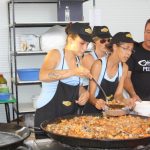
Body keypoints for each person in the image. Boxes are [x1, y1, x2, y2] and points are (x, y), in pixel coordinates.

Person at [34, 22, 93, 139]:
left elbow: (76, 84)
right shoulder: (56, 54)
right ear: (70, 39)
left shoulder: (78, 59)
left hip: (68, 118)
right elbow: (43, 75)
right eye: (82, 43)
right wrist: (74, 71)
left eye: (87, 44)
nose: (85, 48)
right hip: (48, 116)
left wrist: (84, 93)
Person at [84, 32, 135, 113]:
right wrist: (96, 101)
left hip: (110, 112)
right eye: (125, 48)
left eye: (131, 50)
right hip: (92, 112)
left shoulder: (124, 67)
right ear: (114, 46)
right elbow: (90, 96)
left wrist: (125, 101)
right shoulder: (98, 65)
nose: (129, 53)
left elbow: (118, 95)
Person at [124, 18, 150, 101]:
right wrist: (133, 95)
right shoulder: (133, 50)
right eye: (148, 32)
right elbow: (125, 77)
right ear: (144, 32)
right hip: (137, 102)